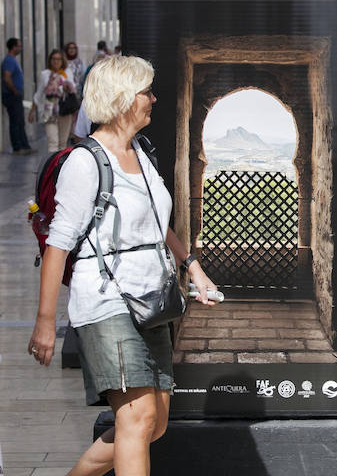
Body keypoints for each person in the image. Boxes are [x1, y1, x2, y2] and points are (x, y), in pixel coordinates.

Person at [27, 55, 219, 475]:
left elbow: (156, 223)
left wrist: (192, 266)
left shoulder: (141, 152)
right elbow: (58, 244)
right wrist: (45, 321)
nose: (154, 99)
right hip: (106, 302)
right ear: (122, 98)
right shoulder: (85, 162)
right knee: (137, 418)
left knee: (155, 423)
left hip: (150, 299)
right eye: (146, 91)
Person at [31, 49, 78, 152]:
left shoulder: (66, 73)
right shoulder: (45, 74)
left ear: (62, 61)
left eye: (58, 59)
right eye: (54, 59)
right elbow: (39, 94)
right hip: (49, 112)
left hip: (65, 110)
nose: (56, 61)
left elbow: (73, 88)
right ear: (50, 60)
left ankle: (60, 162)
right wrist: (32, 111)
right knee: (53, 142)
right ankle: (53, 162)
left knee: (62, 143)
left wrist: (66, 85)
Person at [2, 37, 35, 154]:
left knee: (20, 121)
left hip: (15, 95)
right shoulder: (9, 60)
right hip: (12, 95)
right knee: (16, 121)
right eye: (19, 46)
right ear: (13, 47)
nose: (21, 48)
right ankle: (17, 147)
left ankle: (24, 146)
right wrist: (15, 91)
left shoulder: (13, 60)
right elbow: (7, 77)